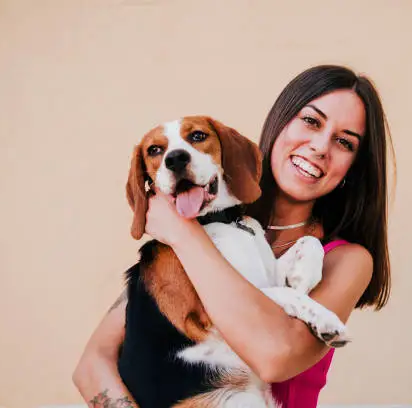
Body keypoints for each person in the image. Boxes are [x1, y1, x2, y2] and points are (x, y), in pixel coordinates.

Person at [73, 64, 394, 407]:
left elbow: (274, 357)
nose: (319, 146)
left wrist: (183, 233)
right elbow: (92, 363)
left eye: (344, 142)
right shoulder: (196, 239)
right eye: (311, 121)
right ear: (281, 121)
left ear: (353, 167)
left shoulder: (346, 260)